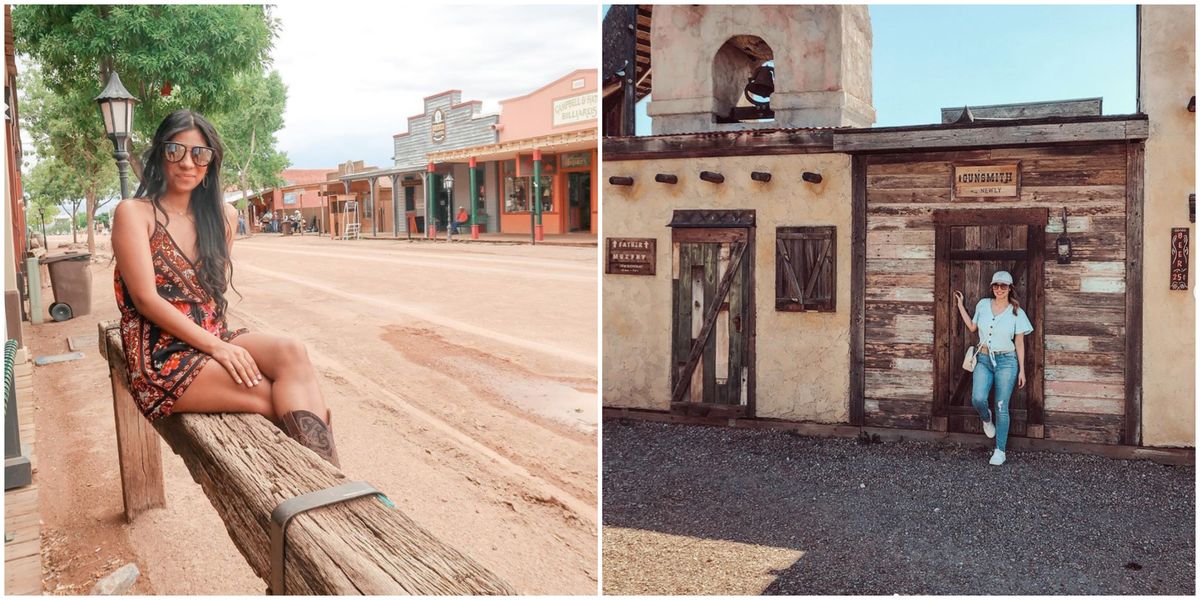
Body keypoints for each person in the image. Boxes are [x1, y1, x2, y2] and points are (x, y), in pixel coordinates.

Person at [111, 110, 339, 466]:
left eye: (199, 154)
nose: (188, 162)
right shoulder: (134, 213)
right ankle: (329, 490)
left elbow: (210, 294)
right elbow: (146, 299)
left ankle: (331, 486)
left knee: (292, 352)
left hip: (212, 334)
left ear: (211, 163)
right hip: (160, 355)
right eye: (176, 151)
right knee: (270, 397)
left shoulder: (223, 217)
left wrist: (220, 344)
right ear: (159, 154)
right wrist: (218, 349)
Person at [953, 270, 1033, 466]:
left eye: (1003, 286)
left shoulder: (1017, 312)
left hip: (1007, 361)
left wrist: (1022, 370)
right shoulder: (982, 305)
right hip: (983, 358)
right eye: (996, 286)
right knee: (977, 398)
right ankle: (986, 418)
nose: (999, 289)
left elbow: (1020, 343)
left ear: (1010, 289)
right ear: (992, 287)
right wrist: (960, 306)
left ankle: (1000, 450)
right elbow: (972, 328)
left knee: (1001, 406)